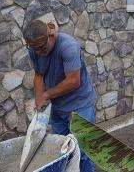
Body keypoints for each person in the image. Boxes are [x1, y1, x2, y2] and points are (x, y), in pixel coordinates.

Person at [23, 19, 96, 172]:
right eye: (34, 48)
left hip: (80, 105)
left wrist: (47, 94)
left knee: (82, 152)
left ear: (50, 35)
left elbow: (73, 81)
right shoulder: (35, 50)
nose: (39, 52)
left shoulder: (68, 46)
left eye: (41, 47)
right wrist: (39, 100)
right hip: (59, 107)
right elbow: (38, 75)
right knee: (61, 151)